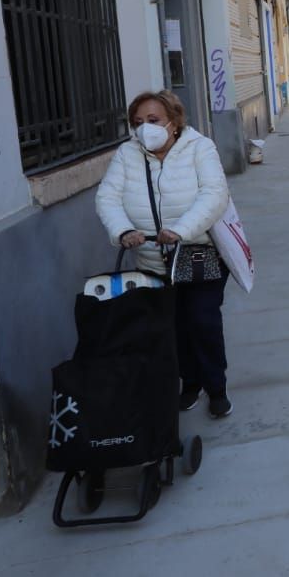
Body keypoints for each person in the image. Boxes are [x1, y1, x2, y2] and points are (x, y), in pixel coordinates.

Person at [95, 90, 235, 418]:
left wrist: (181, 230)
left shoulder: (200, 148)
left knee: (202, 322)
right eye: (138, 123)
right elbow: (108, 198)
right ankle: (190, 384)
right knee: (172, 328)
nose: (145, 128)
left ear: (173, 122)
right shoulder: (127, 155)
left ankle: (216, 387)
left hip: (198, 255)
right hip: (151, 260)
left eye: (153, 120)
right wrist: (122, 230)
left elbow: (215, 194)